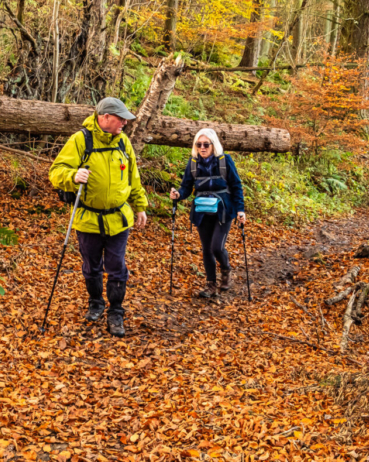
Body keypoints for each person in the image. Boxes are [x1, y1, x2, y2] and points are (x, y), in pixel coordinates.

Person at [49, 97, 148, 337]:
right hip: (89, 219)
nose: (124, 122)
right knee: (91, 265)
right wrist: (73, 175)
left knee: (116, 266)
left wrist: (140, 206)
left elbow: (133, 178)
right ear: (105, 118)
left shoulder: (123, 143)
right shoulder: (81, 140)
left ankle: (116, 311)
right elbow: (56, 172)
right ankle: (95, 303)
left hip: (118, 219)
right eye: (120, 118)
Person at [170, 128, 245, 298]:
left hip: (223, 211)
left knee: (217, 247)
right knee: (206, 250)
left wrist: (240, 210)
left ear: (213, 145)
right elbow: (186, 187)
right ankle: (210, 285)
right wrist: (178, 194)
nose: (202, 148)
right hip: (202, 212)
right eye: (199, 145)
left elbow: (236, 186)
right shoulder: (193, 163)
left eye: (206, 144)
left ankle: (226, 270)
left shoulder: (225, 161)